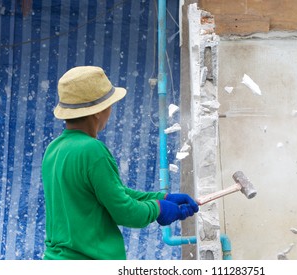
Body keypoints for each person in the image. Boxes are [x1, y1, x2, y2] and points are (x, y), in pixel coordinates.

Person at [41, 66, 199, 260]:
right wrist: (157, 208)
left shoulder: (54, 149)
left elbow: (115, 194)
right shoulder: (92, 150)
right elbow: (124, 212)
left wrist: (161, 197)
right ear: (98, 112)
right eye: (110, 104)